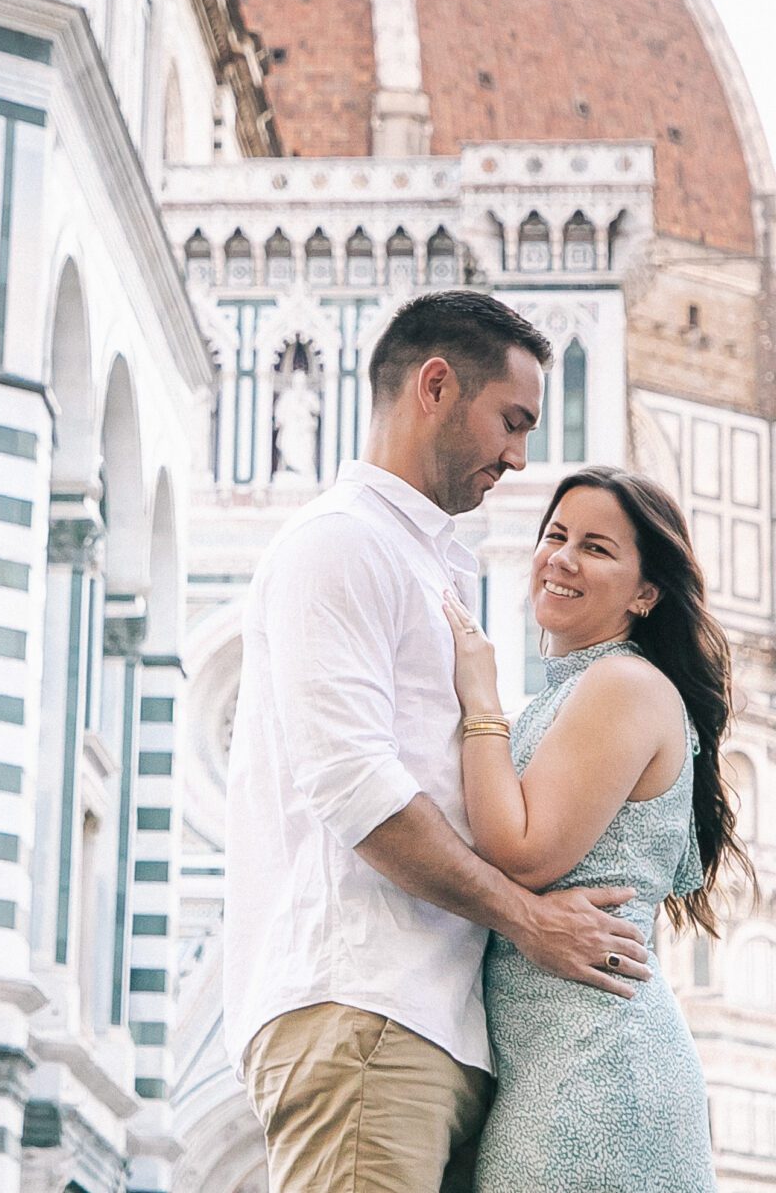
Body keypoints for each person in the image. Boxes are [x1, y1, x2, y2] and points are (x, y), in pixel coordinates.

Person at [226, 291, 652, 1193]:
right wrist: (530, 922)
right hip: (363, 1009)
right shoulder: (340, 545)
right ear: (434, 387)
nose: (518, 455)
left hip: (430, 1025)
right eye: (511, 420)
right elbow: (355, 789)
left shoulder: (429, 562)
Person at [447, 465, 750, 1191]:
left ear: (647, 593)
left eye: (596, 547)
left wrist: (479, 697)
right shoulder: (577, 694)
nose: (562, 557)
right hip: (552, 1067)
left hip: (595, 1076)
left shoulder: (624, 684)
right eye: (554, 535)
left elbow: (519, 853)